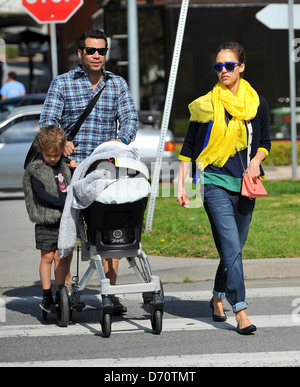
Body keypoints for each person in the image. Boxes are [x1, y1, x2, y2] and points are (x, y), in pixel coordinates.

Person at [40, 29, 139, 314]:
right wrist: (63, 142)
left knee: (111, 232)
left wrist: (120, 142)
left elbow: (130, 118)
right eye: (91, 50)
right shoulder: (62, 83)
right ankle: (64, 294)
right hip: (70, 169)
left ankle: (110, 293)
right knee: (67, 235)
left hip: (105, 169)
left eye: (102, 51)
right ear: (80, 53)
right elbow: (48, 122)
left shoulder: (117, 84)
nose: (97, 56)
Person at [177, 42, 271, 335]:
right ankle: (240, 309)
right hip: (213, 181)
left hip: (245, 183)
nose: (223, 71)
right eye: (218, 66)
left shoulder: (256, 103)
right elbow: (189, 148)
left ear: (241, 67)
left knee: (234, 249)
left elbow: (265, 143)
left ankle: (217, 297)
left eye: (229, 66)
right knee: (231, 246)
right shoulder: (206, 104)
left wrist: (256, 160)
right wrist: (182, 183)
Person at [23, 126, 77, 314]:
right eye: (49, 155)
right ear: (41, 151)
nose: (53, 159)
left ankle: (60, 292)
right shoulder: (36, 169)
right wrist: (63, 202)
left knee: (60, 257)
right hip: (46, 220)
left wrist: (74, 169)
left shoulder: (64, 165)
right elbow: (40, 194)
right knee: (47, 257)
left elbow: (73, 184)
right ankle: (47, 295)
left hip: (63, 220)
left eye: (56, 155)